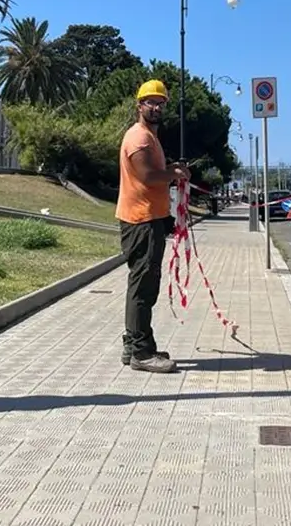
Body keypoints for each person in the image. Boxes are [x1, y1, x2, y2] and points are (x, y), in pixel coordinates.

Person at [116, 79, 190, 373]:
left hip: (149, 219)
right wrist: (174, 173)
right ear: (140, 105)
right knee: (143, 288)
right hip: (140, 221)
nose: (157, 107)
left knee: (142, 285)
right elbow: (148, 177)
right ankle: (141, 353)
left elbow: (156, 175)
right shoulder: (140, 138)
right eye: (151, 102)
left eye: (161, 103)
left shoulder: (149, 137)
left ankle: (133, 343)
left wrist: (173, 171)